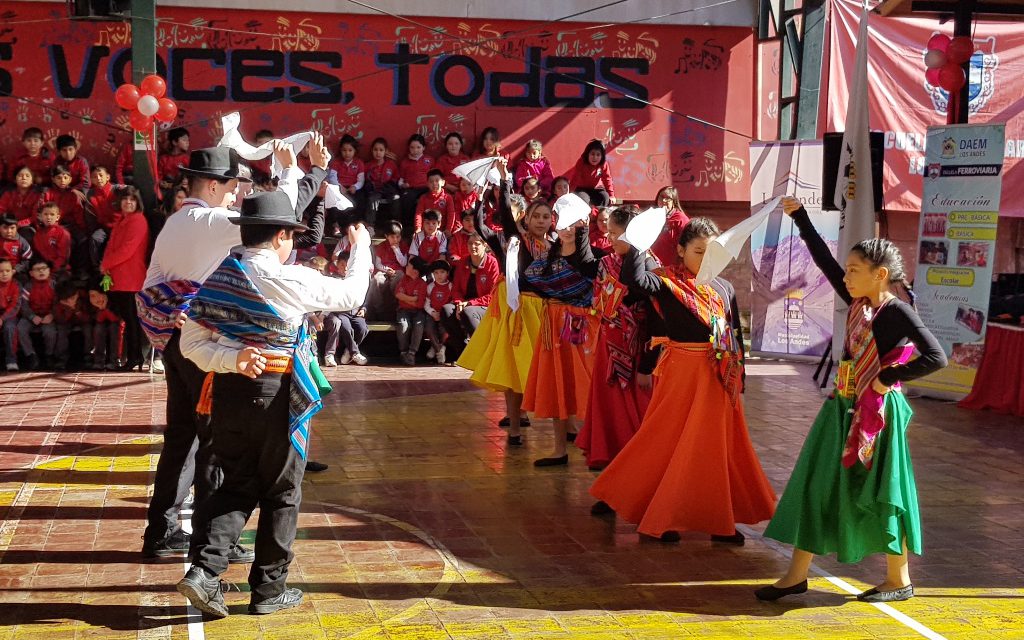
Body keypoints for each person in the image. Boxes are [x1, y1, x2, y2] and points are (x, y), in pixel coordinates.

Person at [176, 191, 373, 618]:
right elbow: (352, 293)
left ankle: (205, 573)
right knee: (283, 491)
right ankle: (268, 588)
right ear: (283, 235)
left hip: (229, 391)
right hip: (275, 392)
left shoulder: (220, 277)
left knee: (238, 481)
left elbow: (190, 344)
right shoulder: (289, 280)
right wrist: (362, 249)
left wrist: (231, 358)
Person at [136, 137, 329, 561]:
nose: (236, 193)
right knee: (212, 443)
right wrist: (302, 171)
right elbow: (280, 217)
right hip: (204, 342)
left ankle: (162, 530)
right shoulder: (211, 221)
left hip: (175, 339)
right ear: (211, 187)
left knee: (181, 438)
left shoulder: (173, 223)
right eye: (230, 187)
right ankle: (210, 543)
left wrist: (291, 173)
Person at [755, 198, 948, 604]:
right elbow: (826, 262)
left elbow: (936, 357)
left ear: (880, 275)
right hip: (841, 407)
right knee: (814, 481)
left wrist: (886, 378)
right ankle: (796, 574)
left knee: (882, 489)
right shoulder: (861, 304)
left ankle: (899, 579)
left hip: (877, 414)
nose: (846, 277)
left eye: (855, 271)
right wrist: (801, 219)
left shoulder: (896, 312)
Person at [590, 218, 777, 543]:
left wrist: (740, 380)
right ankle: (662, 516)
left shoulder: (724, 287)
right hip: (682, 373)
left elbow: (733, 334)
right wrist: (637, 240)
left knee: (716, 447)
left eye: (713, 252)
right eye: (699, 251)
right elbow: (633, 280)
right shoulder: (666, 281)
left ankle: (721, 521)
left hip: (719, 377)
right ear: (680, 250)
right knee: (668, 441)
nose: (706, 259)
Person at [457, 158, 553, 446]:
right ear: (526, 219)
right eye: (536, 216)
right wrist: (503, 180)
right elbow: (499, 219)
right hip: (520, 311)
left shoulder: (555, 246)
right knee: (515, 369)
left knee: (545, 367)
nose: (540, 221)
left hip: (546, 312)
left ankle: (563, 424)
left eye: (546, 217)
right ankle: (514, 428)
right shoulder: (516, 242)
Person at [576, 206, 659, 472]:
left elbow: (656, 316)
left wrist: (647, 364)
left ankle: (637, 461)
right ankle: (608, 454)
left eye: (615, 233)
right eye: (608, 232)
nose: (609, 238)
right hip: (608, 344)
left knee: (639, 407)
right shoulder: (605, 262)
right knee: (608, 404)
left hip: (637, 349)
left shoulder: (651, 265)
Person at [520, 205, 600, 466]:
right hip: (553, 325)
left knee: (586, 383)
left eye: (573, 223)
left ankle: (596, 449)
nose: (566, 229)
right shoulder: (548, 255)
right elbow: (528, 278)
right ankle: (558, 450)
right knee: (558, 382)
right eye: (563, 223)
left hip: (581, 326)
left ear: (583, 224)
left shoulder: (591, 257)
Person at [101, 186, 150, 371]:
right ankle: (133, 357)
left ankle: (135, 357)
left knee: (132, 321)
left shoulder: (137, 221)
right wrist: (105, 265)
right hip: (120, 277)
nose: (128, 202)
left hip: (131, 278)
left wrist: (105, 264)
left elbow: (126, 250)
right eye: (125, 199)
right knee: (129, 320)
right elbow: (111, 246)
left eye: (132, 199)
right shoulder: (123, 220)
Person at [445, 232, 499, 355]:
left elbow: (494, 294)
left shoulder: (492, 263)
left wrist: (469, 303)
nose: (473, 246)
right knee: (446, 310)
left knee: (468, 312)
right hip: (464, 304)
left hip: (485, 305)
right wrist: (459, 303)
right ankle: (462, 351)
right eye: (470, 243)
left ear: (485, 245)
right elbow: (456, 289)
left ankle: (483, 351)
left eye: (477, 244)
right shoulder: (463, 262)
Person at [322, 251, 369, 367]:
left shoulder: (357, 280)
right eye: (342, 264)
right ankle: (355, 353)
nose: (345, 268)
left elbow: (365, 295)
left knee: (363, 328)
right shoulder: (333, 280)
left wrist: (364, 308)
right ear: (337, 264)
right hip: (341, 312)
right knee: (347, 327)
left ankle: (349, 351)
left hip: (356, 312)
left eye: (348, 265)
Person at [17, 258, 57, 370]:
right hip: (31, 316)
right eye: (37, 269)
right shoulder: (28, 286)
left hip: (48, 316)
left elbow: (58, 303)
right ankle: (31, 355)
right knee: (20, 328)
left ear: (49, 271)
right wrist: (32, 316)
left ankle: (49, 355)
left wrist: (52, 315)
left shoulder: (54, 285)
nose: (41, 272)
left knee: (50, 332)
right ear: (31, 273)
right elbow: (23, 305)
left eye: (44, 268)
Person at [369, 220, 408, 319]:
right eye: (392, 237)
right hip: (384, 271)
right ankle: (379, 308)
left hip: (398, 271)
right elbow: (378, 263)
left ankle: (394, 305)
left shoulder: (402, 245)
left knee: (400, 277)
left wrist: (396, 250)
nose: (395, 239)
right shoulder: (382, 246)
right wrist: (386, 270)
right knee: (376, 280)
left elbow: (404, 262)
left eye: (398, 237)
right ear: (386, 236)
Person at [327, 134, 365, 233]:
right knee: (333, 198)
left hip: (353, 188)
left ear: (354, 151)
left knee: (360, 199)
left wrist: (355, 187)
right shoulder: (336, 162)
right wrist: (339, 187)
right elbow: (332, 177)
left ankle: (353, 224)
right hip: (339, 187)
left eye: (350, 150)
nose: (347, 153)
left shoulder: (359, 163)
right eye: (344, 150)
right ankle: (336, 224)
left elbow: (361, 179)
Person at [395, 256, 428, 365]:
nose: (406, 266)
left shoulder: (422, 284)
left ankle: (412, 353)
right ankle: (403, 351)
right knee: (403, 324)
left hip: (418, 312)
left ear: (415, 271)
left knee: (419, 325)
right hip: (403, 310)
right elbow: (398, 295)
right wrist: (413, 299)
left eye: (409, 265)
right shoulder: (404, 279)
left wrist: (406, 298)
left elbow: (419, 304)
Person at [397, 134, 433, 230]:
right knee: (406, 199)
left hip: (426, 187)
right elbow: (400, 180)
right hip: (411, 188)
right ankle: (408, 225)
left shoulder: (429, 160)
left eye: (418, 147)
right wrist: (402, 185)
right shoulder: (405, 162)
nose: (415, 150)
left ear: (423, 148)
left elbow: (434, 175)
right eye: (412, 147)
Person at [363, 137, 400, 228]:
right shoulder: (368, 165)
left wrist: (391, 185)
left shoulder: (391, 164)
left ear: (386, 151)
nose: (378, 152)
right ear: (372, 150)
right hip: (374, 191)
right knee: (372, 200)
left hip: (388, 190)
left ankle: (395, 224)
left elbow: (396, 178)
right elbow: (364, 179)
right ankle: (370, 225)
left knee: (396, 199)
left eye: (381, 150)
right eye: (375, 150)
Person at [566, 139, 615, 208]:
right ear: (587, 154)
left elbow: (607, 179)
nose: (595, 157)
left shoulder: (603, 164)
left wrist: (611, 195)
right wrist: (569, 193)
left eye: (598, 155)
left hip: (597, 189)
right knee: (582, 200)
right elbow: (575, 178)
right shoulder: (581, 162)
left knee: (605, 198)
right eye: (592, 154)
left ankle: (598, 214)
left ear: (602, 156)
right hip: (581, 189)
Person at [649, 186, 690, 266]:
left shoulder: (680, 219)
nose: (663, 200)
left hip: (672, 268)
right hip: (654, 265)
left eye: (668, 198)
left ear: (674, 201)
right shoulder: (652, 216)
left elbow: (688, 244)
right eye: (661, 197)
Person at [424, 259, 454, 364]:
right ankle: (439, 350)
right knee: (429, 328)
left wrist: (441, 313)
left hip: (444, 314)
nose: (439, 275)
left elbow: (453, 302)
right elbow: (426, 304)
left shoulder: (451, 286)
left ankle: (437, 346)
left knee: (444, 330)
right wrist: (432, 312)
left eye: (442, 272)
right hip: (432, 314)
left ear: (447, 273)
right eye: (436, 273)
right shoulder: (430, 287)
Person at [87, 281, 120, 370]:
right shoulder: (91, 305)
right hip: (100, 324)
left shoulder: (113, 302)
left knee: (114, 328)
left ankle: (114, 361)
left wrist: (105, 308)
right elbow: (97, 320)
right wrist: (101, 309)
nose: (94, 299)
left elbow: (116, 319)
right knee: (98, 329)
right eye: (91, 296)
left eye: (96, 295)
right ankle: (98, 361)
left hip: (115, 324)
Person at [32, 202, 72, 275]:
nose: (49, 217)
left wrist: (52, 269)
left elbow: (63, 257)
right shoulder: (37, 234)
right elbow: (38, 255)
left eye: (52, 214)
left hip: (60, 269)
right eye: (46, 214)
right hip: (43, 269)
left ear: (57, 217)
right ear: (40, 216)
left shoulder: (63, 233)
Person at [414, 169, 455, 234]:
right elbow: (418, 214)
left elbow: (451, 214)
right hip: (426, 231)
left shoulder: (448, 198)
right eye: (431, 181)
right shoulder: (423, 198)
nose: (434, 183)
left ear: (443, 182)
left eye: (437, 180)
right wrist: (418, 228)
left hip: (442, 232)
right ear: (427, 184)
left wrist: (448, 229)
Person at [0, 258, 22, 371]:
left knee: (10, 328)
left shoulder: (16, 285)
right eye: (1, 271)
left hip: (10, 315)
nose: (4, 274)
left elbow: (15, 306)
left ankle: (11, 360)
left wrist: (2, 318)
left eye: (7, 271)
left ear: (12, 271)